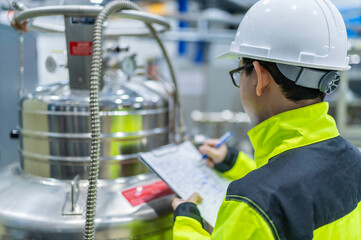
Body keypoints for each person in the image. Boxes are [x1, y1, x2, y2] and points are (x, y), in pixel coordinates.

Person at [172, 0, 361, 239]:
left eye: (240, 72)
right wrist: (234, 163)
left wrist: (186, 223)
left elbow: (281, 188)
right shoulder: (353, 160)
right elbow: (296, 181)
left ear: (260, 77)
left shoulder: (253, 206)